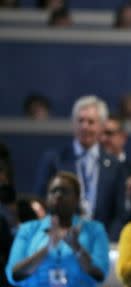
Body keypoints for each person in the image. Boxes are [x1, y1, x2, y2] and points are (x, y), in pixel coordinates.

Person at [6, 172, 109, 287]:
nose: (58, 195)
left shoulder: (94, 230)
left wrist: (76, 247)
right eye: (53, 191)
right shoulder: (28, 229)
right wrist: (46, 249)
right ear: (47, 197)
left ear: (77, 197)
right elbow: (14, 274)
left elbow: (100, 274)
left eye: (64, 191)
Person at [34, 95, 126, 241]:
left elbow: (119, 213)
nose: (84, 126)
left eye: (91, 122)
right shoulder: (54, 160)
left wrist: (106, 240)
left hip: (102, 242)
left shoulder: (115, 165)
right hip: (60, 240)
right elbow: (41, 202)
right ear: (73, 124)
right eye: (80, 120)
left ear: (102, 126)